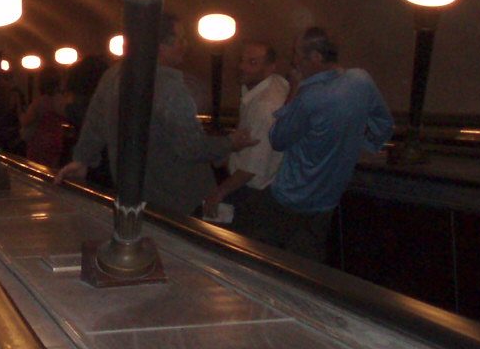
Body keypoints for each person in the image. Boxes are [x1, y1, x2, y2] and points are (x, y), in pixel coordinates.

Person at [56, 13, 255, 217]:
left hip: (134, 192)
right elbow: (190, 147)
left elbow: (95, 124)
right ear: (161, 46)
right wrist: (230, 143)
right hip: (180, 196)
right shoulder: (169, 87)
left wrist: (82, 159)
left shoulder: (114, 75)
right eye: (181, 40)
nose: (186, 45)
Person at [246, 27, 394, 261]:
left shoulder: (310, 96)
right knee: (308, 264)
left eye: (298, 55)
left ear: (315, 57)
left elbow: (278, 139)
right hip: (327, 199)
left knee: (264, 259)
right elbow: (384, 125)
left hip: (290, 197)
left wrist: (294, 88)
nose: (294, 61)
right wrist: (361, 147)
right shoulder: (361, 80)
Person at [202, 40, 289, 226]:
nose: (242, 66)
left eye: (252, 62)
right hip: (253, 185)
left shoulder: (265, 107)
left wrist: (218, 194)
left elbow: (252, 168)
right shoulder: (275, 83)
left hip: (253, 193)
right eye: (242, 60)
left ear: (270, 67)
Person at [20, 71, 69, 167]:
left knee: (35, 168)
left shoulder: (39, 102)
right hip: (56, 139)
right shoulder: (61, 101)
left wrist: (20, 113)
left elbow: (26, 121)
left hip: (39, 141)